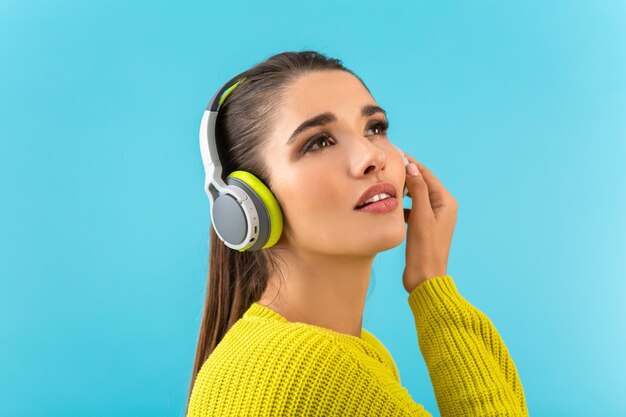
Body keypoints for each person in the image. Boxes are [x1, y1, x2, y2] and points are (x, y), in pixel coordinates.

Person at [185, 50, 528, 416]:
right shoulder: (307, 367)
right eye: (318, 142)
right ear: (248, 204)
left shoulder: (354, 352)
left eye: (375, 128)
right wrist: (433, 287)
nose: (371, 156)